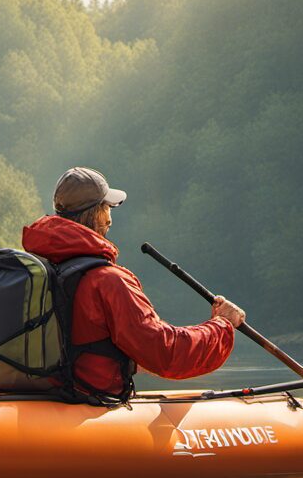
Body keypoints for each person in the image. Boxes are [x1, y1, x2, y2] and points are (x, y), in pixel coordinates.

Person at [21, 167, 245, 399]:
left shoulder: (36, 271)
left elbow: (84, 346)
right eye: (107, 207)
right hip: (86, 403)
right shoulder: (109, 281)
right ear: (97, 213)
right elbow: (165, 353)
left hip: (40, 399)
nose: (109, 218)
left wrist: (127, 361)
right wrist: (222, 325)